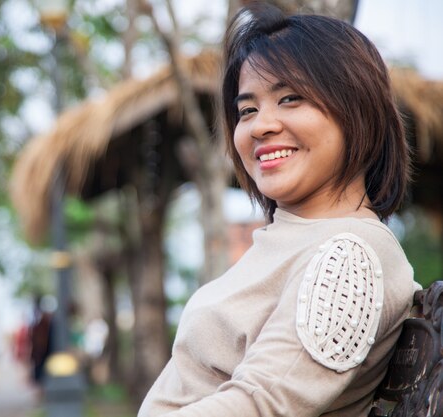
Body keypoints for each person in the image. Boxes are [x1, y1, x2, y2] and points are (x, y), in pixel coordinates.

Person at [138, 3, 418, 417]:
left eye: (290, 98)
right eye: (247, 109)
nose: (260, 126)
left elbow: (261, 405)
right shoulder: (294, 237)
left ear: (359, 110)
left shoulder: (351, 256)